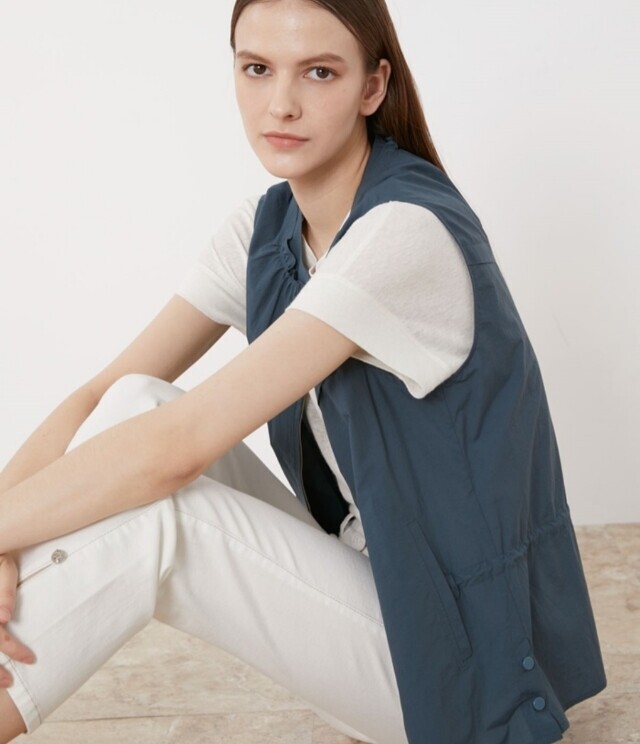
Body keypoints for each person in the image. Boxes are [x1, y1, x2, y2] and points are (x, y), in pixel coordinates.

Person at [0, 1, 607, 742]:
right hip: (372, 597)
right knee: (135, 400)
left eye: (319, 73)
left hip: (460, 666)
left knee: (165, 516)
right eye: (257, 68)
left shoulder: (404, 233)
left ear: (373, 87)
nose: (280, 103)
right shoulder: (265, 231)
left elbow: (178, 451)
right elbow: (101, 395)